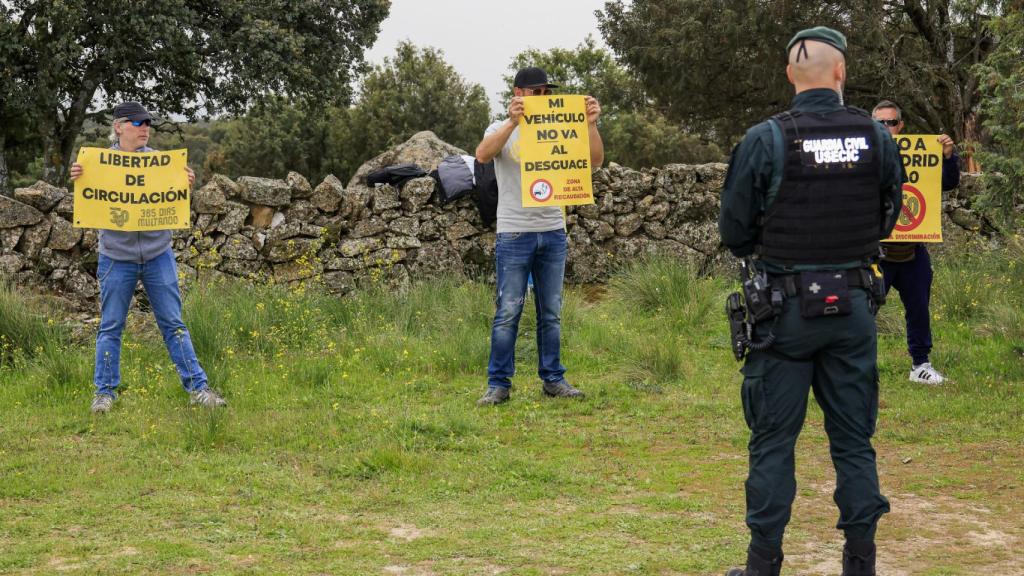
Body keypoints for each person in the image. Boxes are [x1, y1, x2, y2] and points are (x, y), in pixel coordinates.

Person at [718, 28, 904, 575]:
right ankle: (860, 563)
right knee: (853, 441)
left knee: (773, 442)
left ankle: (763, 565)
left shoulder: (765, 138)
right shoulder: (877, 135)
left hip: (784, 312)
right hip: (853, 305)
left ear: (789, 75)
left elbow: (734, 229)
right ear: (841, 72)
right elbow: (890, 215)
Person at [70, 102, 226, 413]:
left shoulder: (160, 164)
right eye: (137, 123)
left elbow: (172, 200)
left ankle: (199, 388)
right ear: (118, 127)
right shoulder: (97, 164)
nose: (145, 128)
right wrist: (78, 177)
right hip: (116, 257)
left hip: (158, 255)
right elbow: (89, 199)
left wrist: (185, 184)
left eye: (148, 123)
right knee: (111, 326)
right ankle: (104, 394)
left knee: (173, 323)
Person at [473, 67, 604, 406]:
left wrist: (589, 123)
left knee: (551, 312)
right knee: (508, 310)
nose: (543, 98)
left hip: (552, 230)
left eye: (546, 92)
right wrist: (513, 122)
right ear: (518, 93)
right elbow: (483, 154)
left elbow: (595, 162)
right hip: (515, 231)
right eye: (536, 92)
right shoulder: (500, 127)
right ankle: (498, 383)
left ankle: (554, 379)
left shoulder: (565, 124)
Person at [871, 100, 960, 385]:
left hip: (912, 249)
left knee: (919, 307)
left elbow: (946, 182)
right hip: (876, 251)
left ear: (901, 125)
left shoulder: (919, 152)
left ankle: (920, 364)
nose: (886, 128)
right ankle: (857, 366)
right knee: (863, 311)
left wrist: (947, 156)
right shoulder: (863, 154)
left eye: (891, 122)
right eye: (880, 123)